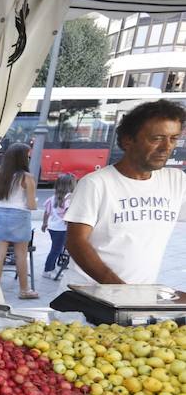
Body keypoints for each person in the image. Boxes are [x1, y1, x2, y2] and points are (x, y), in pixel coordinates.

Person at [65, 99, 186, 285]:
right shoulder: (96, 183)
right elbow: (75, 242)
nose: (167, 147)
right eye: (157, 139)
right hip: (87, 299)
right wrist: (118, 289)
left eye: (173, 138)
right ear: (128, 140)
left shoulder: (176, 181)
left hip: (138, 300)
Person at [0, 142, 39, 299]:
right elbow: (31, 205)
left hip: (1, 216)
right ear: (23, 159)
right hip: (20, 217)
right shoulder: (27, 178)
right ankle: (24, 290)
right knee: (21, 254)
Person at [40, 173, 76, 280]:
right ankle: (47, 270)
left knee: (56, 249)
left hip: (53, 227)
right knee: (56, 250)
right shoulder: (69, 197)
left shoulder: (53, 197)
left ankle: (52, 268)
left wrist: (44, 223)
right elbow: (69, 213)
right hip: (62, 229)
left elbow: (46, 212)